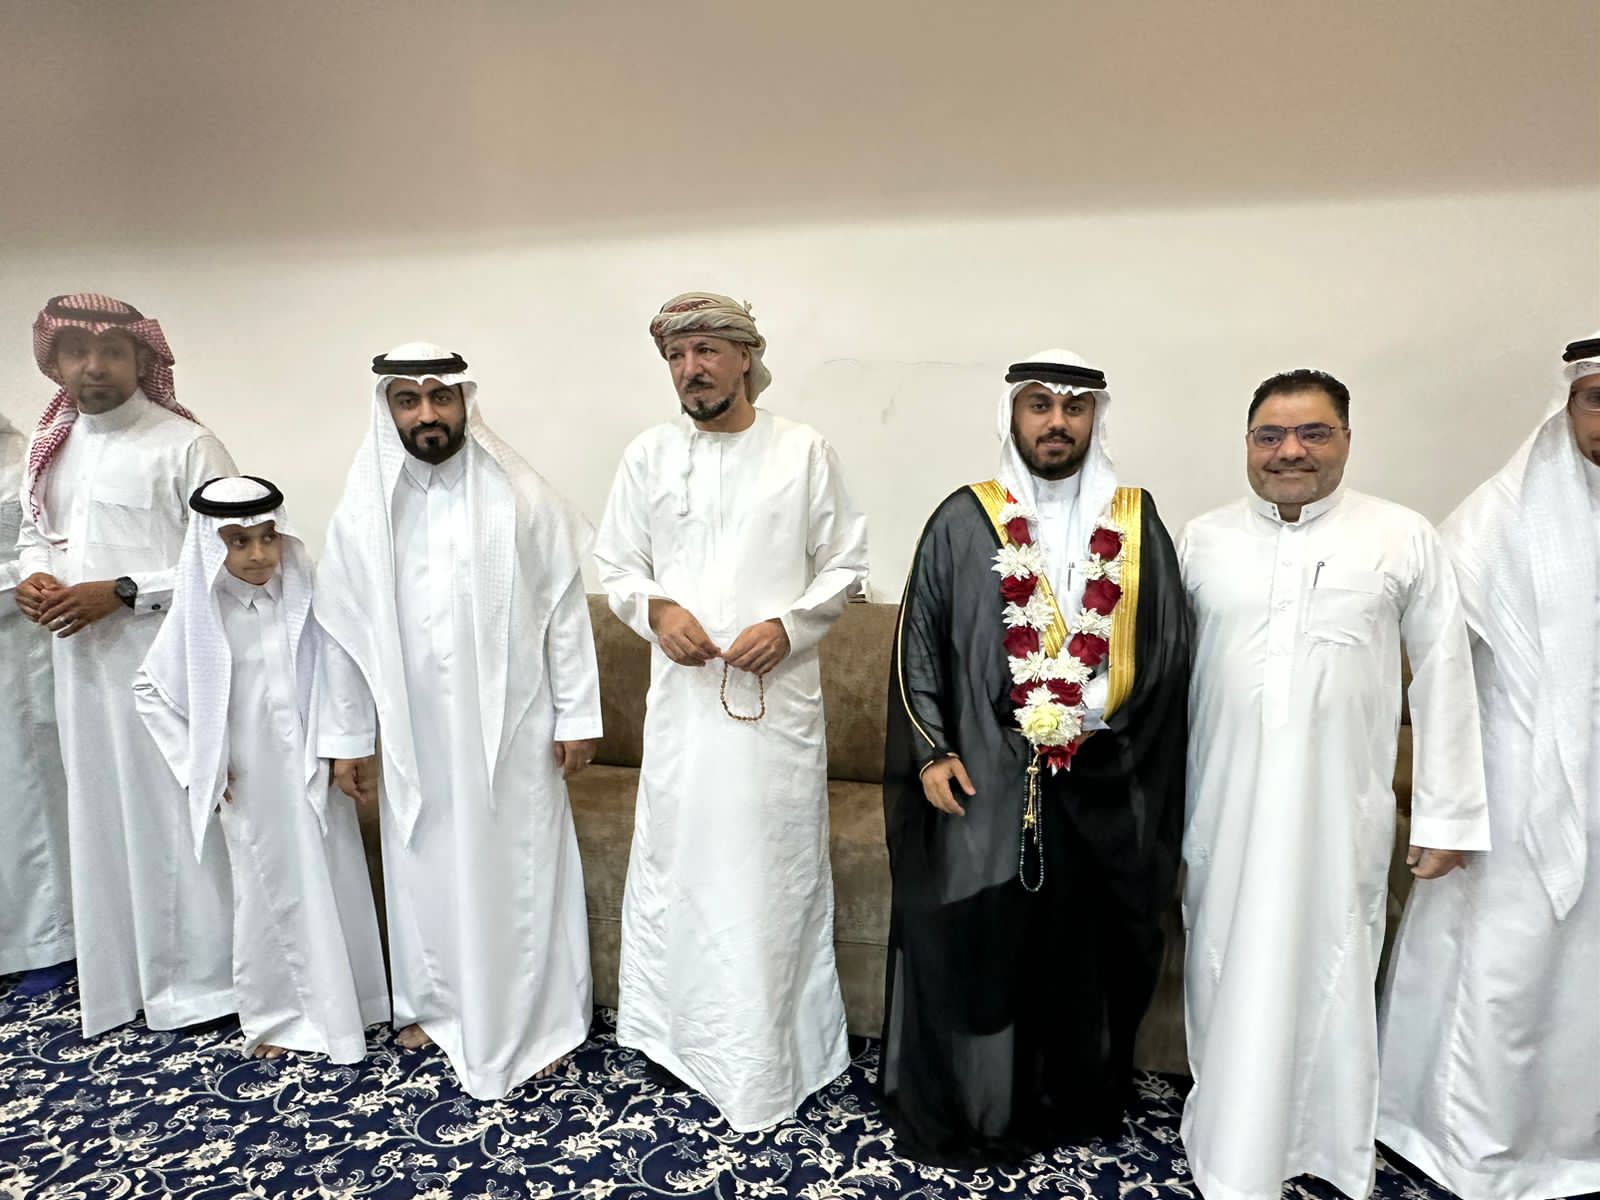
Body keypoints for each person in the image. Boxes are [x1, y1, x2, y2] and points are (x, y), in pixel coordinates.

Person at [1177, 368, 1490, 1200]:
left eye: (1313, 432)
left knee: (1333, 963)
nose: (1290, 451)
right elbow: (1160, 679)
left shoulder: (1402, 536)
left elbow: (1446, 678)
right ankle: (1227, 1138)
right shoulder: (1201, 539)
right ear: (1248, 445)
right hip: (1222, 806)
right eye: (1270, 435)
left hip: (1340, 811)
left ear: (1347, 440)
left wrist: (1448, 815)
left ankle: (1322, 1142)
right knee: (1221, 958)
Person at [878, 350, 1190, 1165]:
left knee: (1080, 946)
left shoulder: (1135, 520)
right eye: (1040, 405)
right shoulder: (962, 518)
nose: (1057, 422)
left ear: (1096, 420)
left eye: (1074, 408)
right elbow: (919, 640)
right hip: (982, 776)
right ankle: (980, 1102)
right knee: (982, 937)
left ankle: (1069, 1100)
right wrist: (932, 750)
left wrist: (1089, 709)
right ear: (1013, 415)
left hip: (1100, 776)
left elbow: (1165, 645)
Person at [594, 292, 869, 1131]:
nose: (692, 369)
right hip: (683, 712)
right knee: (681, 868)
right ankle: (676, 1038)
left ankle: (772, 1051)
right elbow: (617, 562)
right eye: (678, 357)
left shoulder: (802, 450)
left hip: (772, 712)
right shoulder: (647, 455)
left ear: (746, 356)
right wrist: (656, 609)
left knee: (767, 878)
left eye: (708, 350)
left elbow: (846, 563)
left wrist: (788, 625)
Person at [315, 343, 601, 1099]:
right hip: (414, 734)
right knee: (424, 864)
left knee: (520, 870)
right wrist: (347, 740)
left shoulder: (520, 495)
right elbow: (341, 635)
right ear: (387, 410)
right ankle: (433, 1005)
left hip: (513, 730)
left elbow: (563, 610)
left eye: (440, 396)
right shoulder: (365, 511)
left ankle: (539, 1019)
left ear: (465, 401)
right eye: (408, 400)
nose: (427, 414)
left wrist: (578, 714)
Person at [1376, 334, 1600, 1200]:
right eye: (1597, 399)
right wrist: (1449, 807)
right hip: (1512, 774)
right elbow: (1437, 672)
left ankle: (1572, 1144)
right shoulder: (1502, 512)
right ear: (1567, 406)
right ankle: (1469, 1146)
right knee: (1507, 962)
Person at [14, 293, 237, 1036]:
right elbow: (38, 534)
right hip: (82, 674)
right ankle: (130, 980)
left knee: (175, 820)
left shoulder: (185, 446)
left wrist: (123, 592)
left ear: (143, 360)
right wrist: (35, 575)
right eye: (77, 352)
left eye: (112, 352)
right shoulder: (54, 447)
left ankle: (208, 983)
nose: (94, 367)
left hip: (168, 669)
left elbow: (231, 557)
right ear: (55, 363)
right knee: (102, 818)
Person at [134, 475, 389, 1061]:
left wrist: (343, 746)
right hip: (250, 781)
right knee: (269, 892)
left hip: (313, 769)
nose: (257, 554)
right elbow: (150, 689)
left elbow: (342, 669)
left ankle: (356, 1005)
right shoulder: (201, 613)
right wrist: (201, 764)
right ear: (211, 546)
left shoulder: (307, 593)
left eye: (268, 538)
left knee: (333, 879)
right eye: (238, 541)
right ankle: (279, 1016)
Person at [0, 409, 73, 995]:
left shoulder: (26, 465)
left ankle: (52, 940)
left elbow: (47, 557)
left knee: (32, 796)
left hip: (22, 653)